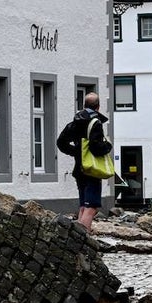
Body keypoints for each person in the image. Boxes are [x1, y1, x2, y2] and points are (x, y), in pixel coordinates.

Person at [56, 92, 112, 231]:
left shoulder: (75, 121)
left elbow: (61, 142)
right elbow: (96, 147)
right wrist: (107, 146)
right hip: (91, 169)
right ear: (98, 107)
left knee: (83, 205)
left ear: (84, 105)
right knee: (91, 207)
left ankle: (76, 237)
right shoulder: (95, 122)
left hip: (79, 169)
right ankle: (82, 239)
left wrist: (75, 151)